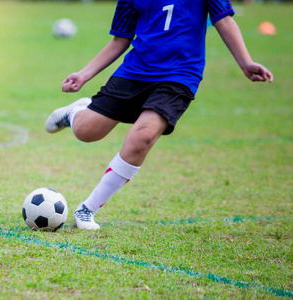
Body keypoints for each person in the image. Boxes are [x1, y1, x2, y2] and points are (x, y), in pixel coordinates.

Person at [45, 0, 274, 230]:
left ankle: (87, 209)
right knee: (87, 131)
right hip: (136, 70)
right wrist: (84, 75)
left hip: (180, 74)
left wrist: (245, 62)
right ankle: (76, 112)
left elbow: (223, 19)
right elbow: (121, 39)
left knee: (143, 136)